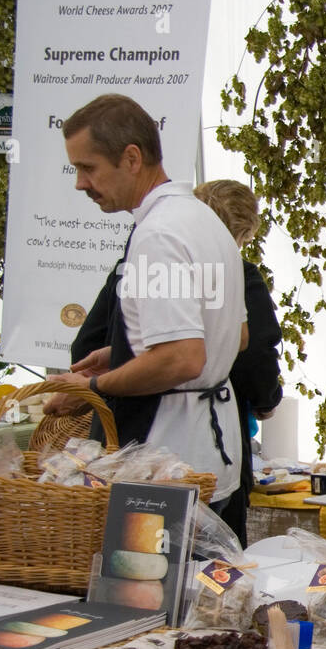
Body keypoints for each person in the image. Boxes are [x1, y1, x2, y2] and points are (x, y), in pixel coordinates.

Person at [47, 94, 246, 512]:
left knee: (152, 577)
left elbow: (181, 358)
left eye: (88, 168)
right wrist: (122, 353)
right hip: (210, 451)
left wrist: (93, 387)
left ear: (132, 158)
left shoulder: (159, 235)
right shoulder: (204, 221)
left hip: (166, 463)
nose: (80, 183)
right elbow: (236, 336)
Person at [193, 180, 284, 545]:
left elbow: (89, 343)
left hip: (138, 452)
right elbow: (256, 352)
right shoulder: (237, 273)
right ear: (242, 232)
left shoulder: (141, 265)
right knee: (219, 568)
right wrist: (266, 400)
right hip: (215, 448)